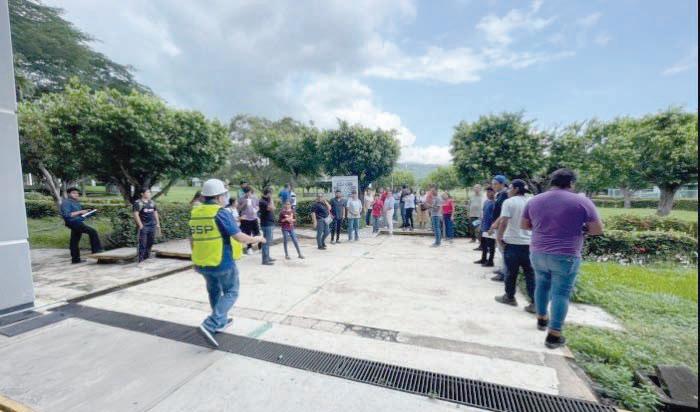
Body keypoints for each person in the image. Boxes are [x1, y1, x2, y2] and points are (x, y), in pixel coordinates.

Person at [521, 168, 603, 349]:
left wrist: (543, 227)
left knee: (541, 285)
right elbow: (597, 229)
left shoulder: (534, 200)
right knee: (560, 293)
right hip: (565, 254)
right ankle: (554, 335)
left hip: (538, 252)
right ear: (571, 183)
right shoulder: (582, 201)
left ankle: (541, 319)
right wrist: (581, 229)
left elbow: (524, 225)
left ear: (552, 181)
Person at [189, 178, 266, 347]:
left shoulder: (196, 212)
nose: (226, 197)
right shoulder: (220, 213)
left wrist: (196, 258)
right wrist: (257, 238)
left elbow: (192, 239)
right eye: (224, 194)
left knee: (214, 291)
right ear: (218, 197)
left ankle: (221, 321)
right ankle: (210, 324)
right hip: (221, 261)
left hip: (202, 262)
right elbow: (239, 237)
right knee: (231, 291)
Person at [494, 179, 536, 313]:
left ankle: (510, 297)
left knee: (511, 273)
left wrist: (499, 237)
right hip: (529, 244)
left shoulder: (509, 202)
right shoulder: (532, 201)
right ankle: (534, 303)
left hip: (512, 243)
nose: (508, 190)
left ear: (516, 189)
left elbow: (504, 221)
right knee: (530, 274)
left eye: (510, 187)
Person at [60, 187, 103, 264]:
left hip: (78, 221)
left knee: (74, 240)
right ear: (69, 194)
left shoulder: (76, 202)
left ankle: (75, 259)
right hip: (73, 222)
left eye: (77, 193)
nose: (76, 194)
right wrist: (80, 211)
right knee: (92, 232)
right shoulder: (66, 202)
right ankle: (97, 251)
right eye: (73, 193)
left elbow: (80, 215)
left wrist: (89, 212)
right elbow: (67, 215)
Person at [489, 175, 510, 281]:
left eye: (495, 184)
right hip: (498, 225)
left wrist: (496, 224)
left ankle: (504, 273)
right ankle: (503, 269)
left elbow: (503, 214)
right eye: (492, 184)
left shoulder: (505, 195)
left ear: (502, 184)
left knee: (503, 250)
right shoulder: (500, 194)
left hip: (501, 225)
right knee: (500, 249)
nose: (493, 186)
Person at [132, 189, 161, 263]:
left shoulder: (152, 202)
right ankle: (141, 260)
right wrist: (140, 225)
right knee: (142, 243)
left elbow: (155, 213)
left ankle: (146, 258)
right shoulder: (138, 203)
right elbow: (135, 214)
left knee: (150, 242)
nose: (149, 193)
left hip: (152, 226)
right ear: (142, 194)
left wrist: (157, 224)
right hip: (144, 226)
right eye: (147, 192)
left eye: (150, 192)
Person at [475, 187, 496, 267]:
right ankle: (483, 259)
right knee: (483, 244)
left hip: (490, 227)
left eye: (490, 192)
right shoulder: (486, 202)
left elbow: (495, 216)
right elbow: (483, 214)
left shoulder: (495, 203)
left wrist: (492, 227)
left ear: (494, 193)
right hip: (484, 226)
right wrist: (480, 225)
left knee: (491, 245)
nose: (488, 193)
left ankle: (490, 261)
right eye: (487, 192)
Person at [238, 187, 261, 254]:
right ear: (244, 193)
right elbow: (239, 209)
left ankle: (260, 247)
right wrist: (244, 203)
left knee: (257, 233)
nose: (248, 194)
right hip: (246, 219)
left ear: (251, 192)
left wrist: (256, 209)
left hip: (254, 218)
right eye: (246, 192)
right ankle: (249, 248)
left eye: (249, 192)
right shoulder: (241, 199)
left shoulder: (255, 198)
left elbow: (258, 206)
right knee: (248, 234)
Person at [258, 188, 276, 265]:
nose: (272, 195)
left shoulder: (266, 201)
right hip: (266, 224)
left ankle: (267, 257)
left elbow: (273, 208)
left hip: (269, 223)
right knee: (266, 242)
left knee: (268, 242)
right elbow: (272, 208)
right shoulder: (262, 201)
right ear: (268, 193)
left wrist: (270, 199)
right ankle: (265, 260)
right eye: (271, 193)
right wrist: (271, 199)